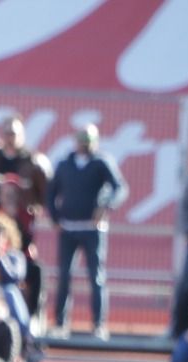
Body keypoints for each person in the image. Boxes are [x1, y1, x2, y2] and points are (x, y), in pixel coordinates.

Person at [47, 124, 127, 338]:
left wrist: (106, 207)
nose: (85, 145)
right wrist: (55, 217)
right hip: (69, 227)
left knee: (96, 276)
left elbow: (119, 187)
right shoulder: (64, 164)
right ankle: (60, 323)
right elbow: (51, 192)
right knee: (64, 275)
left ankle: (98, 324)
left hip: (93, 229)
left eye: (89, 140)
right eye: (82, 140)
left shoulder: (101, 163)